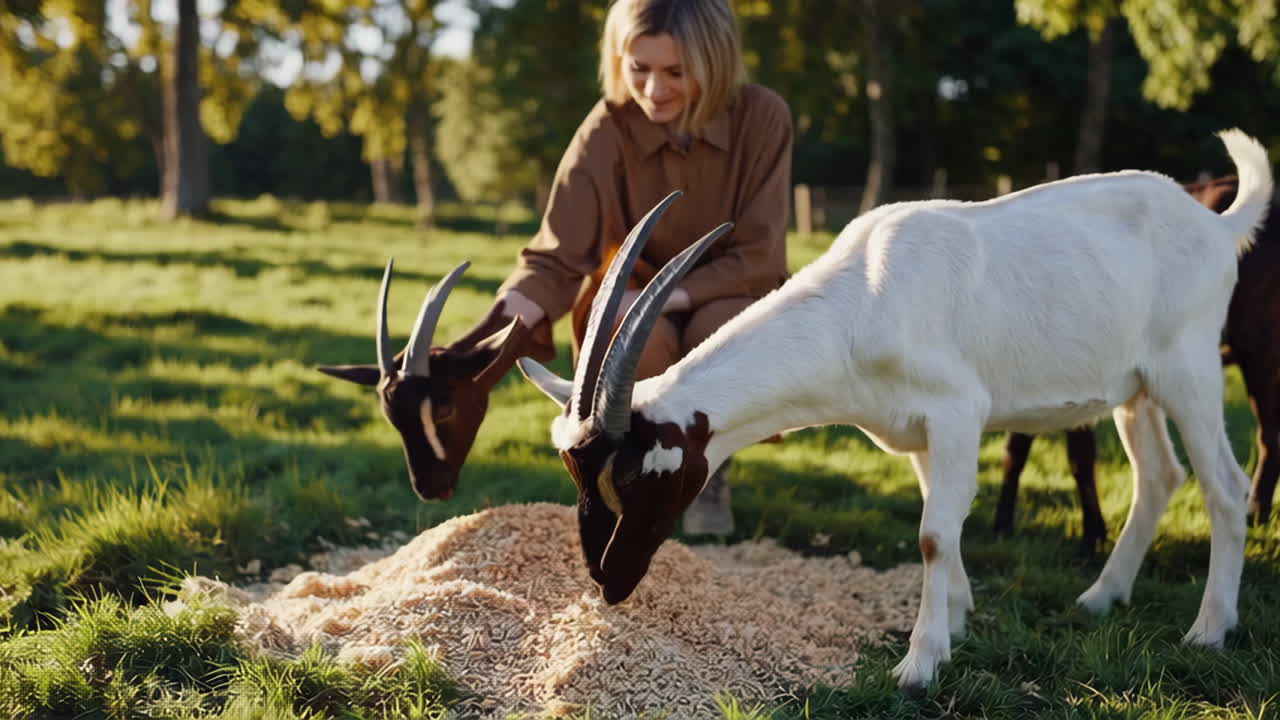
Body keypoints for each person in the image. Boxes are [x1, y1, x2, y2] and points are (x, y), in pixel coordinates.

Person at [465, 0, 794, 535]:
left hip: (733, 290)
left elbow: (761, 255)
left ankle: (710, 474)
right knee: (631, 335)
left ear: (714, 66)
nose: (653, 89)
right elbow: (556, 254)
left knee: (725, 332)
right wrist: (479, 344)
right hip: (635, 300)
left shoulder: (764, 116)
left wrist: (663, 298)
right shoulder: (606, 128)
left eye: (676, 72)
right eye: (638, 69)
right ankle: (640, 474)